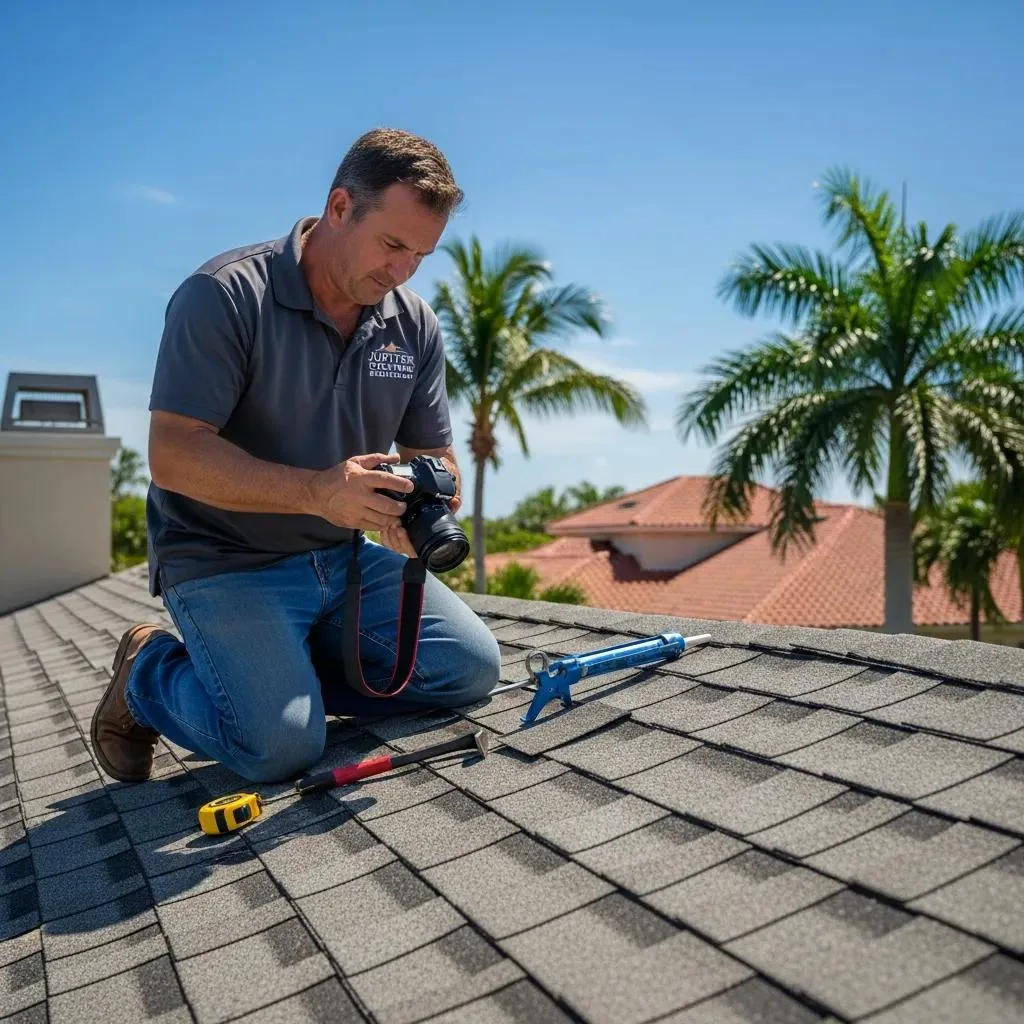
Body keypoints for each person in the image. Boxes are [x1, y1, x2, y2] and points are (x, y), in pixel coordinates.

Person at [91, 128, 501, 785]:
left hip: (342, 558)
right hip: (224, 559)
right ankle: (148, 671)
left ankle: (283, 678)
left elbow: (437, 460)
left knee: (472, 668)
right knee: (279, 749)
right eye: (392, 245)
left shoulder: (412, 322)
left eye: (421, 255)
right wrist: (317, 492)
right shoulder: (224, 295)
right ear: (340, 208)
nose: (402, 273)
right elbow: (173, 454)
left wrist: (416, 500)